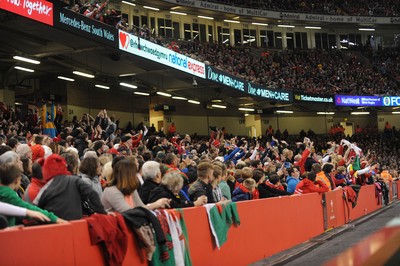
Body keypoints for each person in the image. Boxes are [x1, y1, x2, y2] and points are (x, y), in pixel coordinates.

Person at [35, 154, 107, 220]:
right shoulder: (75, 180)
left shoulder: (46, 187)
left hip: (55, 226)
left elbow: (36, 206)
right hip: (76, 224)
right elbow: (92, 194)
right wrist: (103, 214)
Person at [0, 164, 65, 226]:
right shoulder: (8, 195)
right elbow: (28, 208)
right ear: (17, 180)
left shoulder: (4, 192)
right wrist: (54, 218)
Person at [101, 158, 170, 213]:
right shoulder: (111, 191)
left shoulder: (130, 189)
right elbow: (129, 212)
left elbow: (141, 206)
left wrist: (158, 204)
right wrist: (155, 204)